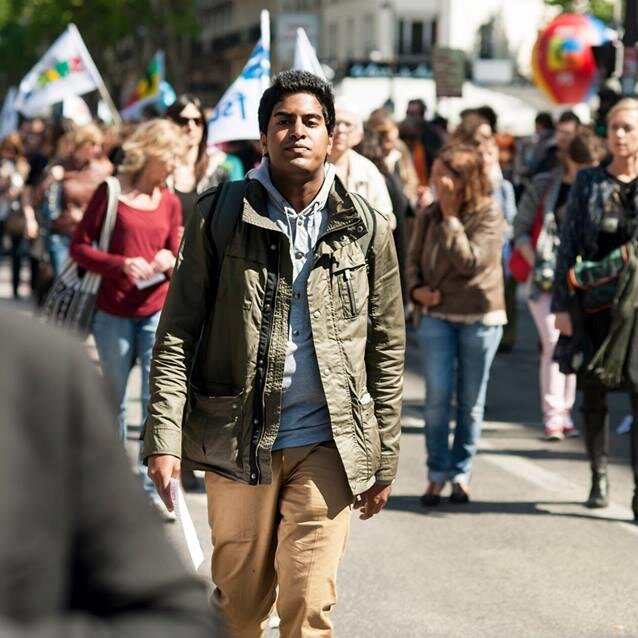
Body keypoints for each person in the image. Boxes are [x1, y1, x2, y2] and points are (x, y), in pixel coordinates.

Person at [144, 70, 405, 637]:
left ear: (332, 135)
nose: (297, 132)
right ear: (263, 137)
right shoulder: (220, 214)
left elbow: (386, 347)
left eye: (311, 121)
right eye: (283, 122)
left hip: (327, 441)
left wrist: (382, 453)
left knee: (309, 605)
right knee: (239, 609)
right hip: (237, 440)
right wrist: (164, 436)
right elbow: (177, 335)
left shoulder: (366, 225)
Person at [0, 307, 221, 636]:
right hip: (115, 307)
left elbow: (174, 617)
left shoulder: (37, 369)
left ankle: (144, 488)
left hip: (146, 307)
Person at [70, 119, 184, 515]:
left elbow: (175, 254)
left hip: (156, 311)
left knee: (156, 401)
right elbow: (79, 248)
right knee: (114, 401)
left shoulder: (170, 200)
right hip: (113, 311)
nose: (175, 163)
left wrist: (170, 260)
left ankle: (152, 491)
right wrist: (121, 264)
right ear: (150, 151)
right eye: (170, 155)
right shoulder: (112, 192)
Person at [406, 142, 505, 506]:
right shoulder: (430, 213)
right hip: (435, 315)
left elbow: (471, 262)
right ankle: (436, 473)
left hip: (479, 317)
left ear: (463, 181)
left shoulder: (488, 213)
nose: (434, 182)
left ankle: (460, 472)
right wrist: (416, 290)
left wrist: (450, 217)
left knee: (469, 403)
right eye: (433, 175)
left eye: (441, 176)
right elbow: (412, 258)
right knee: (436, 399)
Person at [553, 98, 638, 520]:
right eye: (613, 127)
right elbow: (567, 246)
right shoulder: (588, 181)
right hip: (592, 305)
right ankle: (599, 474)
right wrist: (562, 306)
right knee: (593, 392)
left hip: (635, 309)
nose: (619, 135)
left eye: (627, 128)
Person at [516, 128, 605, 440]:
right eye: (586, 167)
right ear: (571, 161)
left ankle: (565, 411)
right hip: (544, 281)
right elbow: (521, 229)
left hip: (579, 281)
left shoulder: (597, 189)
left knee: (570, 342)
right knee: (553, 342)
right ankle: (554, 414)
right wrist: (538, 263)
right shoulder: (545, 185)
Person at [36, 123, 113, 274]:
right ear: (80, 143)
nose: (97, 149)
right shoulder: (60, 165)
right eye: (92, 144)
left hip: (89, 238)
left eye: (99, 144)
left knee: (87, 288)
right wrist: (50, 179)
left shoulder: (102, 169)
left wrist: (85, 215)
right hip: (61, 235)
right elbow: (37, 199)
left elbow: (108, 204)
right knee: (63, 283)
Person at [328, 97, 396, 228]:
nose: (341, 129)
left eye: (348, 124)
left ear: (358, 136)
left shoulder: (368, 170)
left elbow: (387, 219)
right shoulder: (312, 165)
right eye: (335, 123)